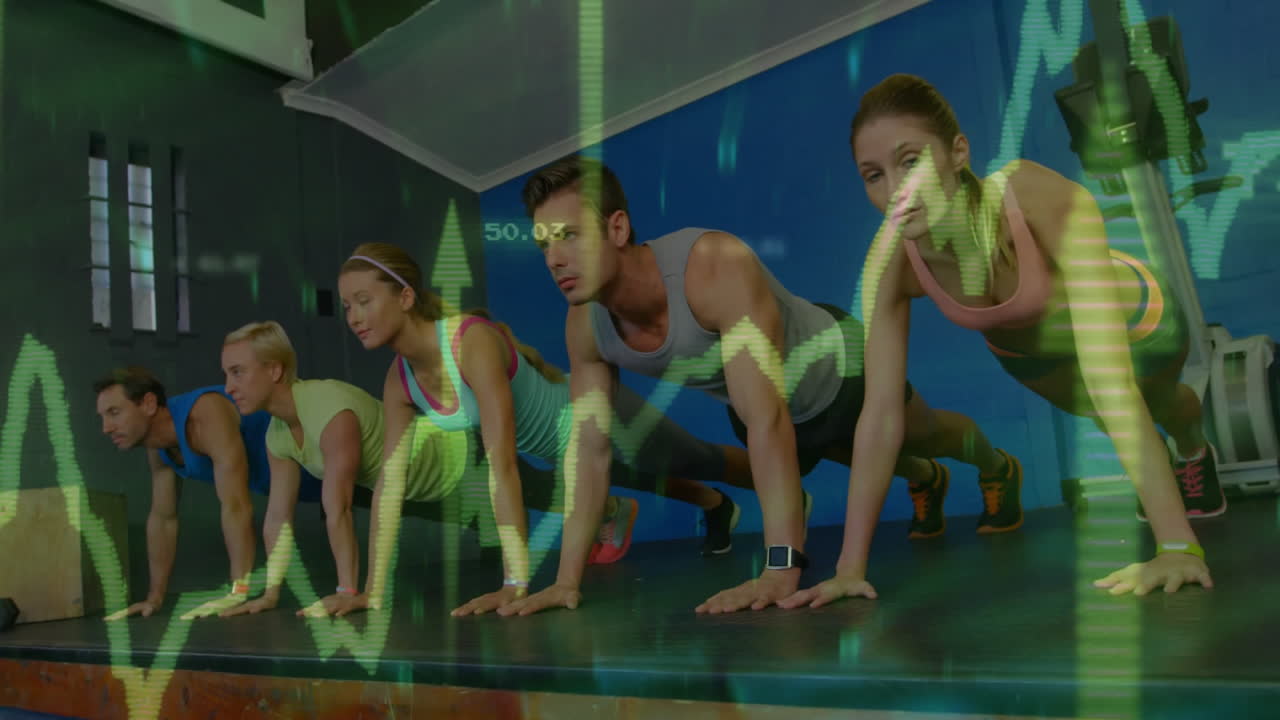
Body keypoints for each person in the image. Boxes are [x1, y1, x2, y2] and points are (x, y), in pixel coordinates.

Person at [515, 154, 1018, 616]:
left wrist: (780, 568)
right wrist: (565, 581)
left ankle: (997, 466)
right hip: (766, 405)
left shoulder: (713, 265)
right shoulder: (585, 327)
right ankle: (925, 477)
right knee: (846, 451)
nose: (553, 259)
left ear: (617, 227)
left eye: (569, 235)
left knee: (926, 431)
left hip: (837, 369)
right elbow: (591, 452)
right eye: (544, 243)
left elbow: (767, 418)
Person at [790, 73, 1220, 606]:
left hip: (1138, 318)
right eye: (873, 175)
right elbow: (880, 414)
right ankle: (1170, 465)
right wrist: (849, 568)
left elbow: (1109, 379)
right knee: (1107, 415)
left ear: (958, 152)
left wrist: (1177, 546)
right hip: (1030, 355)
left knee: (1154, 404)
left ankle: (1193, 446)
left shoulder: (1033, 194)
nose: (896, 188)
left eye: (911, 161)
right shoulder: (890, 263)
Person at [337, 243, 758, 616]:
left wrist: (513, 584)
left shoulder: (469, 344)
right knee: (644, 476)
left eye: (363, 301)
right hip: (568, 453)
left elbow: (503, 468)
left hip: (600, 417)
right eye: (346, 307)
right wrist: (373, 590)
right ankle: (716, 505)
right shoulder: (400, 382)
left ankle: (783, 481)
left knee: (698, 459)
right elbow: (389, 489)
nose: (353, 317)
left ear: (405, 296)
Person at [214, 320, 618, 618]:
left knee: (559, 487)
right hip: (417, 498)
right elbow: (276, 521)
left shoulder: (328, 407)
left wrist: (348, 590)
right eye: (226, 374)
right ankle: (608, 507)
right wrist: (268, 593)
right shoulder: (277, 434)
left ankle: (612, 508)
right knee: (548, 495)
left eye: (237, 372)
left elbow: (336, 507)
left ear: (274, 370)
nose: (228, 386)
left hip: (458, 466)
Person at [93, 366, 321, 621]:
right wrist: (154, 598)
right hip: (307, 486)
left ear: (148, 403)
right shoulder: (157, 447)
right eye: (102, 416)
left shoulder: (206, 412)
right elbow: (163, 518)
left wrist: (238, 592)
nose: (105, 428)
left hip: (329, 460)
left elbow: (237, 506)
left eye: (114, 412)